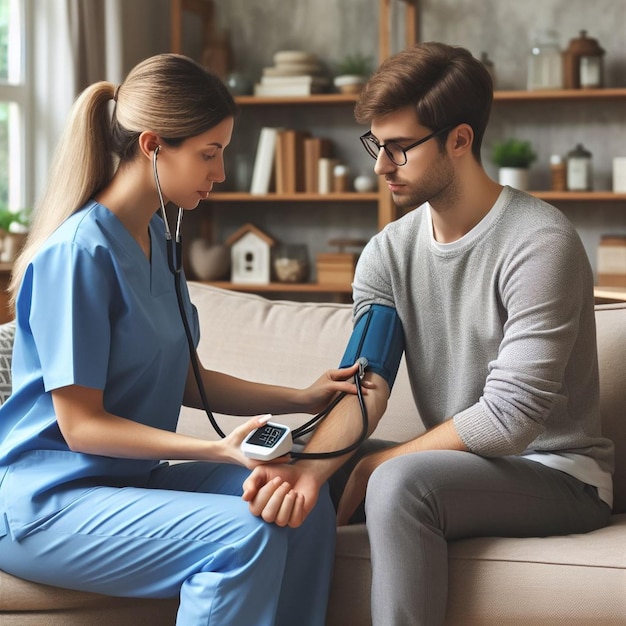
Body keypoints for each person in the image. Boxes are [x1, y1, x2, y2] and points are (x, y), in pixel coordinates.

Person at [242, 42, 615, 625]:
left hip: (557, 474)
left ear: (459, 140)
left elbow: (509, 419)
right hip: (468, 467)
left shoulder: (540, 244)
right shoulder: (387, 253)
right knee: (294, 460)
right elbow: (362, 385)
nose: (380, 166)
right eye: (377, 145)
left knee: (396, 481)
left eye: (399, 148)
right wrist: (315, 467)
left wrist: (369, 468)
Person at [0, 53, 365, 626]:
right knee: (245, 530)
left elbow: (185, 377)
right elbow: (81, 426)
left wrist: (301, 396)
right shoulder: (78, 256)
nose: (220, 173)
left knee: (297, 497)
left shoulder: (157, 240)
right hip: (48, 504)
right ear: (152, 146)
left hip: (126, 484)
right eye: (209, 153)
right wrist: (216, 450)